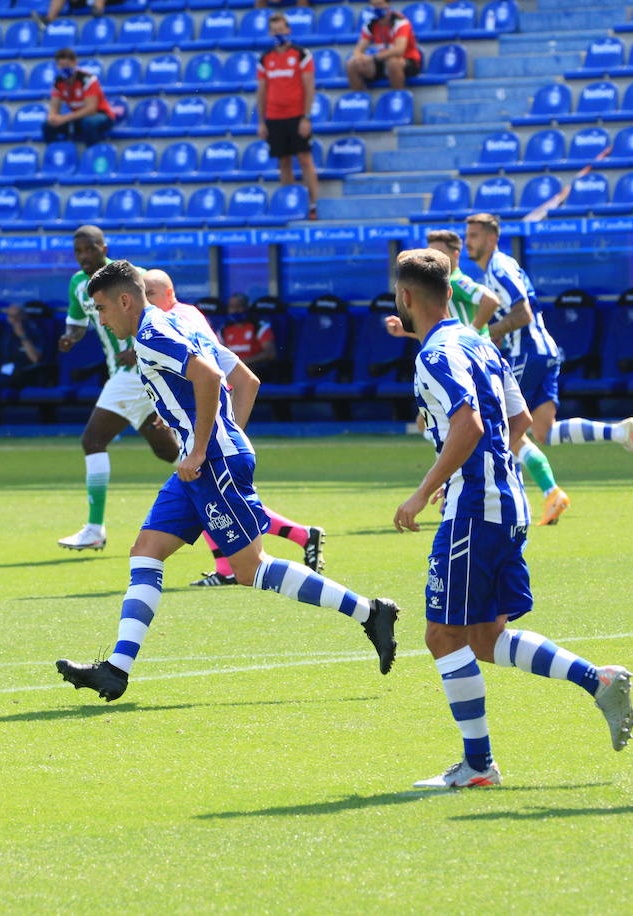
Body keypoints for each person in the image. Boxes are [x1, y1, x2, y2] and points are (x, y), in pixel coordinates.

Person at [55, 260, 399, 702]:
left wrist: (206, 448)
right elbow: (247, 380)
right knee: (146, 550)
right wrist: (224, 439)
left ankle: (371, 612)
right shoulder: (178, 325)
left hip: (208, 462)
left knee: (250, 569)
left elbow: (214, 378)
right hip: (202, 462)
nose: (100, 319)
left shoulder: (153, 334)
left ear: (125, 300)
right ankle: (116, 670)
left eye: (102, 308)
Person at [389, 250, 633, 789]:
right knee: (482, 636)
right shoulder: (481, 343)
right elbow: (520, 420)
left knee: (441, 636)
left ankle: (479, 765)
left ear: (406, 297)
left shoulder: (435, 354)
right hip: (508, 500)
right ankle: (600, 680)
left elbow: (469, 424)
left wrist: (426, 490)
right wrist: (485, 472)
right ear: (450, 292)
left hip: (475, 508)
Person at [142, 269, 325, 587]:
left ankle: (361, 606)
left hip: (204, 421)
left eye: (151, 293)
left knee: (220, 508)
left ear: (170, 293)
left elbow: (211, 373)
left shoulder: (174, 320)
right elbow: (231, 375)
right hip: (200, 421)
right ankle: (297, 537)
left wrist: (217, 436)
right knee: (212, 500)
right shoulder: (176, 318)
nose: (147, 301)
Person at [465, 213, 633, 526]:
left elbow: (522, 313)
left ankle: (502, 504)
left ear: (492, 238)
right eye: (467, 235)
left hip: (528, 353)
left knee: (499, 427)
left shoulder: (498, 267)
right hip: (544, 351)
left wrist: (487, 333)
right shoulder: (499, 268)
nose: (469, 241)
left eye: (475, 236)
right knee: (542, 432)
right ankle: (618, 432)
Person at [56, 226, 179, 551]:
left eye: (89, 250)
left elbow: (163, 314)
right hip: (126, 375)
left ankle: (95, 528)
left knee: (93, 440)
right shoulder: (77, 284)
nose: (84, 257)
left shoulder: (130, 276)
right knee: (171, 452)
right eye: (78, 252)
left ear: (103, 247)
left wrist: (139, 345)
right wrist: (71, 337)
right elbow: (77, 323)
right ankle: (222, 497)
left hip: (136, 371)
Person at [257, 12, 319, 220]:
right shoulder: (265, 58)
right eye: (274, 30)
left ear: (288, 29)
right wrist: (261, 121)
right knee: (283, 161)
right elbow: (262, 92)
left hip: (296, 115)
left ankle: (313, 205)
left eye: (281, 29)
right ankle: (291, 205)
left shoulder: (301, 54)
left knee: (304, 159)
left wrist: (306, 117)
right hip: (274, 117)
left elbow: (309, 87)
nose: (278, 33)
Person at [44, 48, 116, 148]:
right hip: (78, 118)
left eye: (67, 65)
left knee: (89, 123)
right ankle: (56, 155)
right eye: (61, 66)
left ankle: (91, 155)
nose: (64, 69)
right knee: (47, 126)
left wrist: (64, 118)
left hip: (101, 115)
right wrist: (52, 117)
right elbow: (54, 105)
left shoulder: (87, 79)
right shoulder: (58, 81)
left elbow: (91, 109)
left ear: (75, 63)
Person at [347, 0, 422, 91]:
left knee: (393, 62)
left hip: (408, 61)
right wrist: (359, 58)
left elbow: (399, 50)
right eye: (373, 5)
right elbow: (358, 49)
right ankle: (359, 99)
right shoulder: (370, 24)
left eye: (379, 4)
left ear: (388, 4)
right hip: (383, 60)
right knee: (352, 64)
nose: (376, 8)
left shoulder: (400, 22)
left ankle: (398, 98)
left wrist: (372, 58)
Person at [218, 294, 277, 373]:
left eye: (239, 306)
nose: (235, 310)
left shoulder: (259, 326)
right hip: (230, 371)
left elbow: (270, 354)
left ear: (247, 307)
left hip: (255, 369)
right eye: (232, 307)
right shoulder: (223, 329)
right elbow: (219, 354)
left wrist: (241, 362)